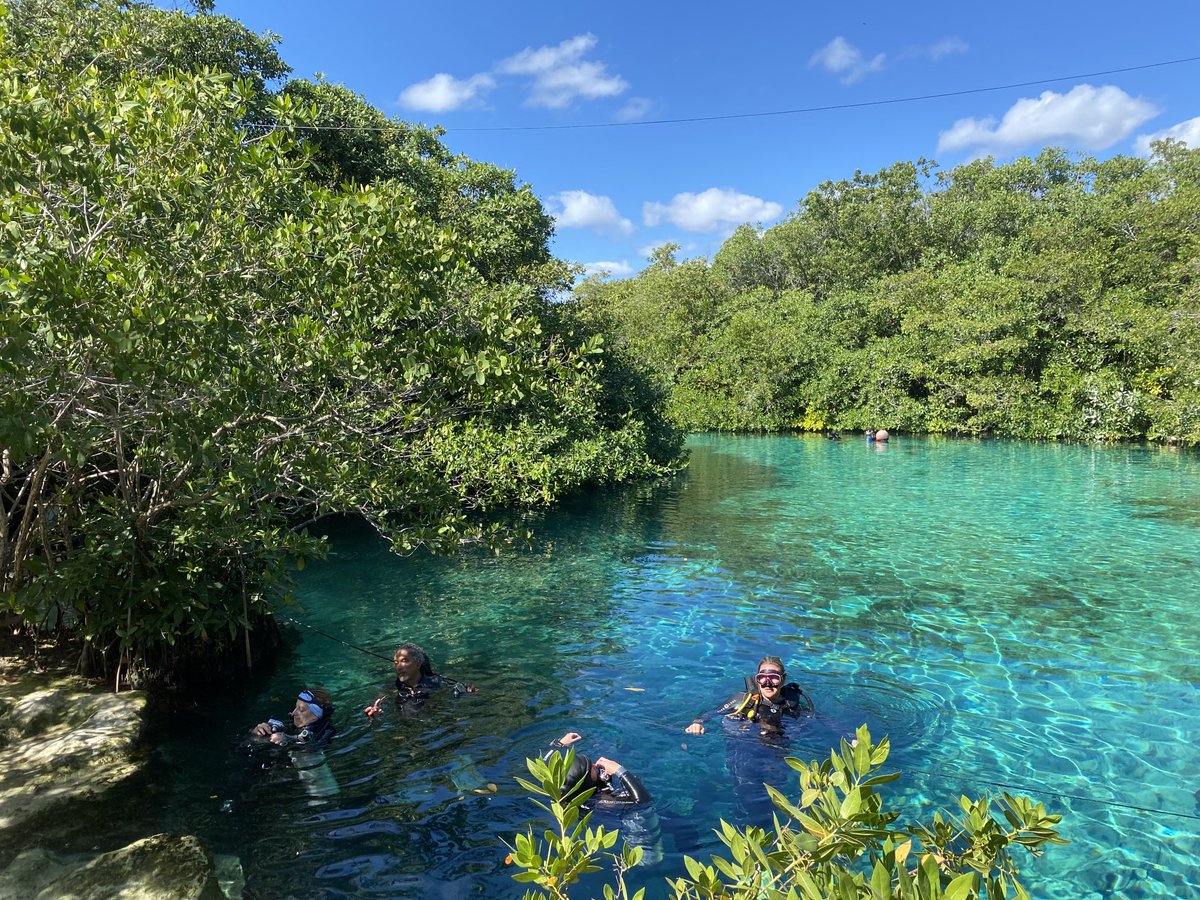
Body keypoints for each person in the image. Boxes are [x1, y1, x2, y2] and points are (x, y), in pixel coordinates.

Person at [543, 731, 661, 865]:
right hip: (639, 830)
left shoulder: (561, 789)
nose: (595, 765)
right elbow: (643, 802)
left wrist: (560, 744)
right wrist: (619, 770)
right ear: (586, 781)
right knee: (649, 857)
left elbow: (546, 761)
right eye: (592, 768)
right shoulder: (601, 802)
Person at [685, 656, 813, 737]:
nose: (767, 684)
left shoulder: (791, 703)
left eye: (774, 678)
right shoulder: (743, 700)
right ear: (757, 680)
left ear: (783, 680)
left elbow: (818, 718)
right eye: (762, 678)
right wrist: (697, 723)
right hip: (744, 749)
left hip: (778, 752)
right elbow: (711, 713)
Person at [364, 642, 475, 718]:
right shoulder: (391, 688)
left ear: (418, 664)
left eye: (404, 660)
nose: (399, 666)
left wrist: (468, 691)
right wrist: (376, 715)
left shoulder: (437, 683)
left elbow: (466, 691)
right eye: (396, 662)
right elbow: (377, 705)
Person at [251, 686, 335, 747]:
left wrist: (287, 740)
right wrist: (257, 732)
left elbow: (310, 750)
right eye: (296, 707)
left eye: (301, 710)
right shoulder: (295, 724)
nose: (294, 713)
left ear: (315, 716)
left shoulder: (324, 733)